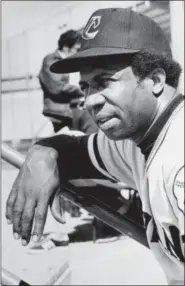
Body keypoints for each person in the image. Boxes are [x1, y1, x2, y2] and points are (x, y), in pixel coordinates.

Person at [6, 8, 184, 285]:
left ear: (156, 80)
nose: (89, 100)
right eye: (87, 86)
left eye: (104, 82)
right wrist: (43, 153)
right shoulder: (137, 142)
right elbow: (76, 150)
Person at [38, 29, 84, 133]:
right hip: (60, 113)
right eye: (77, 49)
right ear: (65, 47)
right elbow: (57, 87)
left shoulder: (71, 61)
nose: (79, 53)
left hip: (73, 110)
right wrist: (82, 91)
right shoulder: (50, 60)